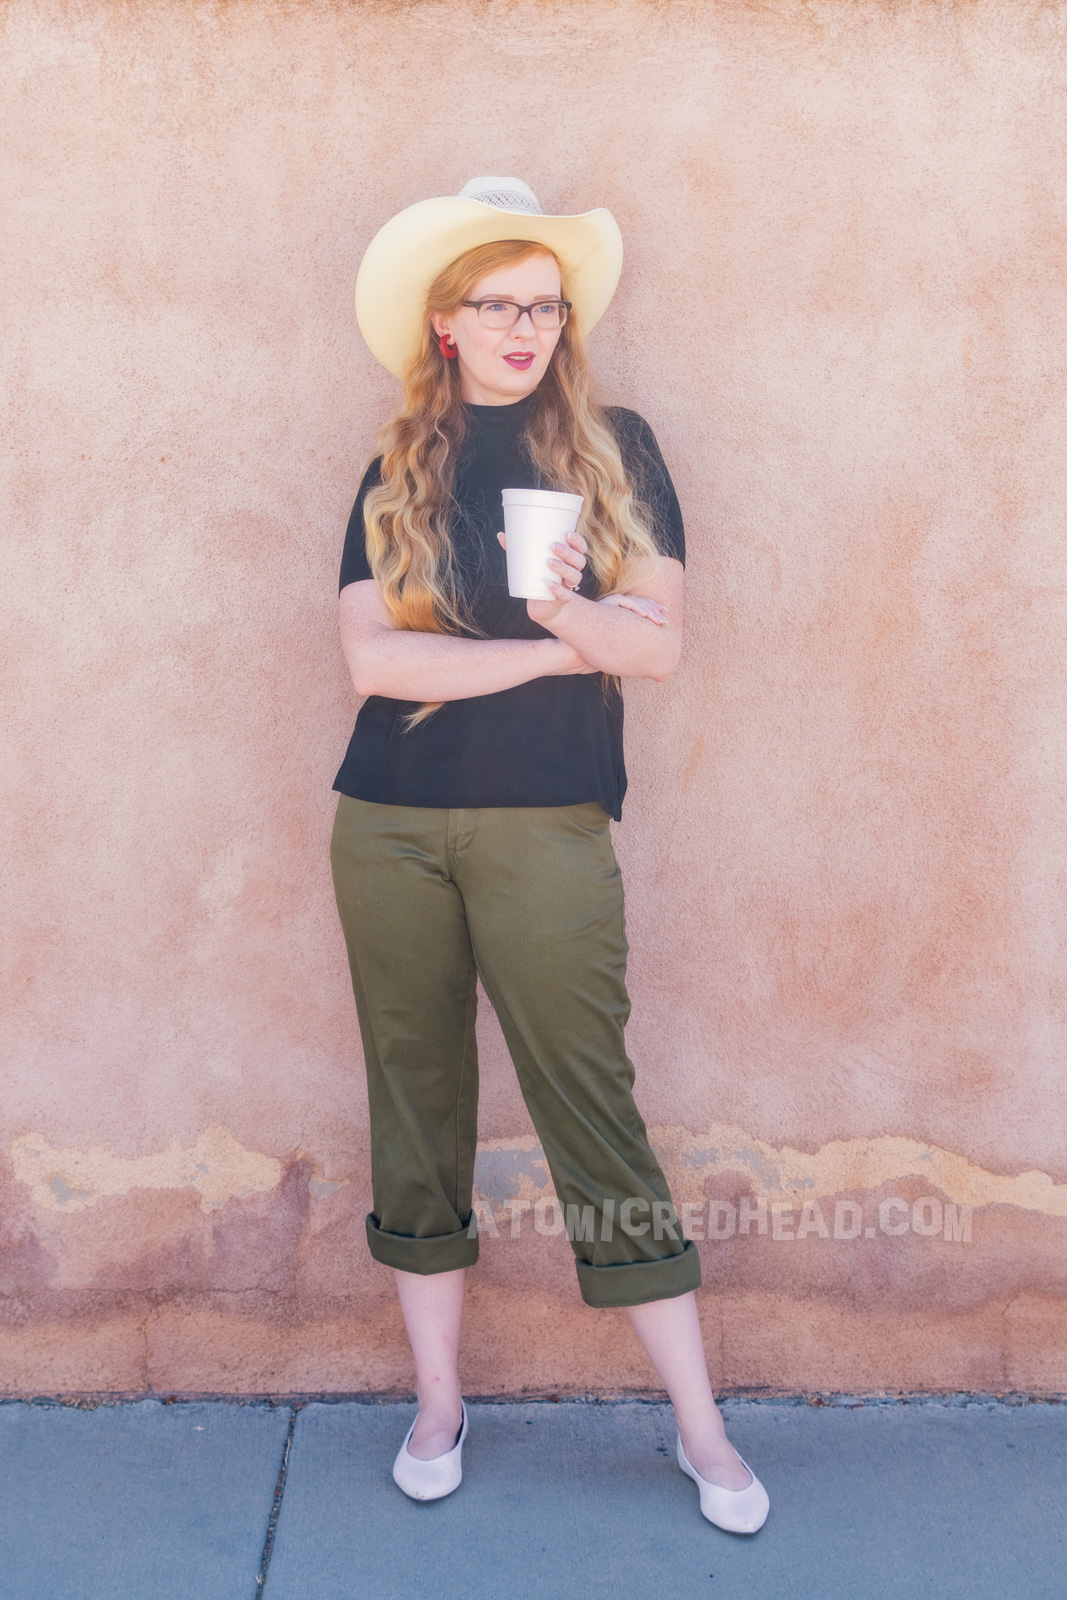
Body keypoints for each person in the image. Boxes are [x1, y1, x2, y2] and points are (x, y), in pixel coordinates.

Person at [330, 176, 769, 1534]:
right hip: (389, 823)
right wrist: (549, 647)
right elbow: (367, 664)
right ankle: (440, 1403)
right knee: (415, 1101)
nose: (526, 325)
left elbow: (660, 647)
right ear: (446, 325)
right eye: (497, 303)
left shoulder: (615, 451)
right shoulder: (398, 464)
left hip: (546, 826)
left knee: (592, 1108)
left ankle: (701, 1431)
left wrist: (562, 606)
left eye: (545, 302)